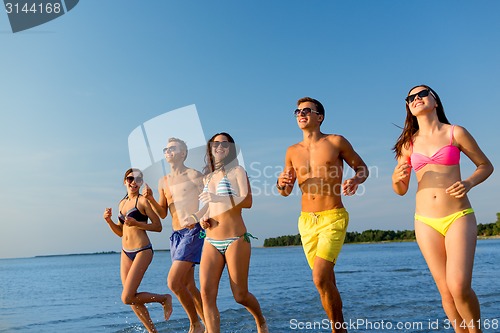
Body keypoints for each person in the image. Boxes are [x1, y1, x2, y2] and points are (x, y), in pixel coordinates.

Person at [392, 85, 493, 333]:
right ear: (408, 107)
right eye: (410, 98)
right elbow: (401, 189)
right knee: (445, 290)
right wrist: (396, 177)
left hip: (458, 216)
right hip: (425, 221)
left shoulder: (455, 132)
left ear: (435, 101)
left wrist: (468, 183)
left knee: (459, 286)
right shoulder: (408, 143)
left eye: (422, 94)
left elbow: (485, 166)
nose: (416, 99)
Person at [277, 97, 368, 333]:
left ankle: (336, 329)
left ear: (320, 117)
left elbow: (362, 167)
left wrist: (356, 179)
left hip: (333, 217)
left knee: (319, 278)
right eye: (297, 111)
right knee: (326, 282)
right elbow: (286, 191)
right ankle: (340, 329)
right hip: (306, 222)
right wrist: (281, 183)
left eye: (307, 110)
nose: (301, 114)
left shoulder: (336, 141)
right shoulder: (291, 151)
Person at [192, 132, 268, 333]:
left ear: (231, 149)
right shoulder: (207, 177)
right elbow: (207, 207)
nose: (219, 147)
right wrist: (202, 218)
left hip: (236, 238)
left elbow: (247, 201)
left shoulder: (237, 171)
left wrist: (217, 198)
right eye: (215, 144)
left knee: (240, 295)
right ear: (210, 148)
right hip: (210, 240)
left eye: (224, 144)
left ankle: (260, 320)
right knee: (207, 295)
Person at [142, 138, 206, 333]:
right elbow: (162, 213)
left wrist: (198, 217)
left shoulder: (194, 175)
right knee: (187, 284)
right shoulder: (164, 181)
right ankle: (210, 323)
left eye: (172, 148)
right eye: (166, 149)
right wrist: (151, 198)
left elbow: (209, 202)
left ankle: (195, 324)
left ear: (183, 153)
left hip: (194, 232)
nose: (168, 151)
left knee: (173, 282)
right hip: (176, 235)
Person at [103, 168, 172, 333]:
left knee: (126, 297)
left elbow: (158, 226)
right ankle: (152, 331)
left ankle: (164, 298)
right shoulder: (122, 203)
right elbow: (121, 232)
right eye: (130, 178)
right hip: (126, 251)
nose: (134, 182)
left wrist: (137, 224)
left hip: (143, 250)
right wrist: (109, 221)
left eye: (138, 179)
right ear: (124, 181)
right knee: (131, 297)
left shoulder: (143, 201)